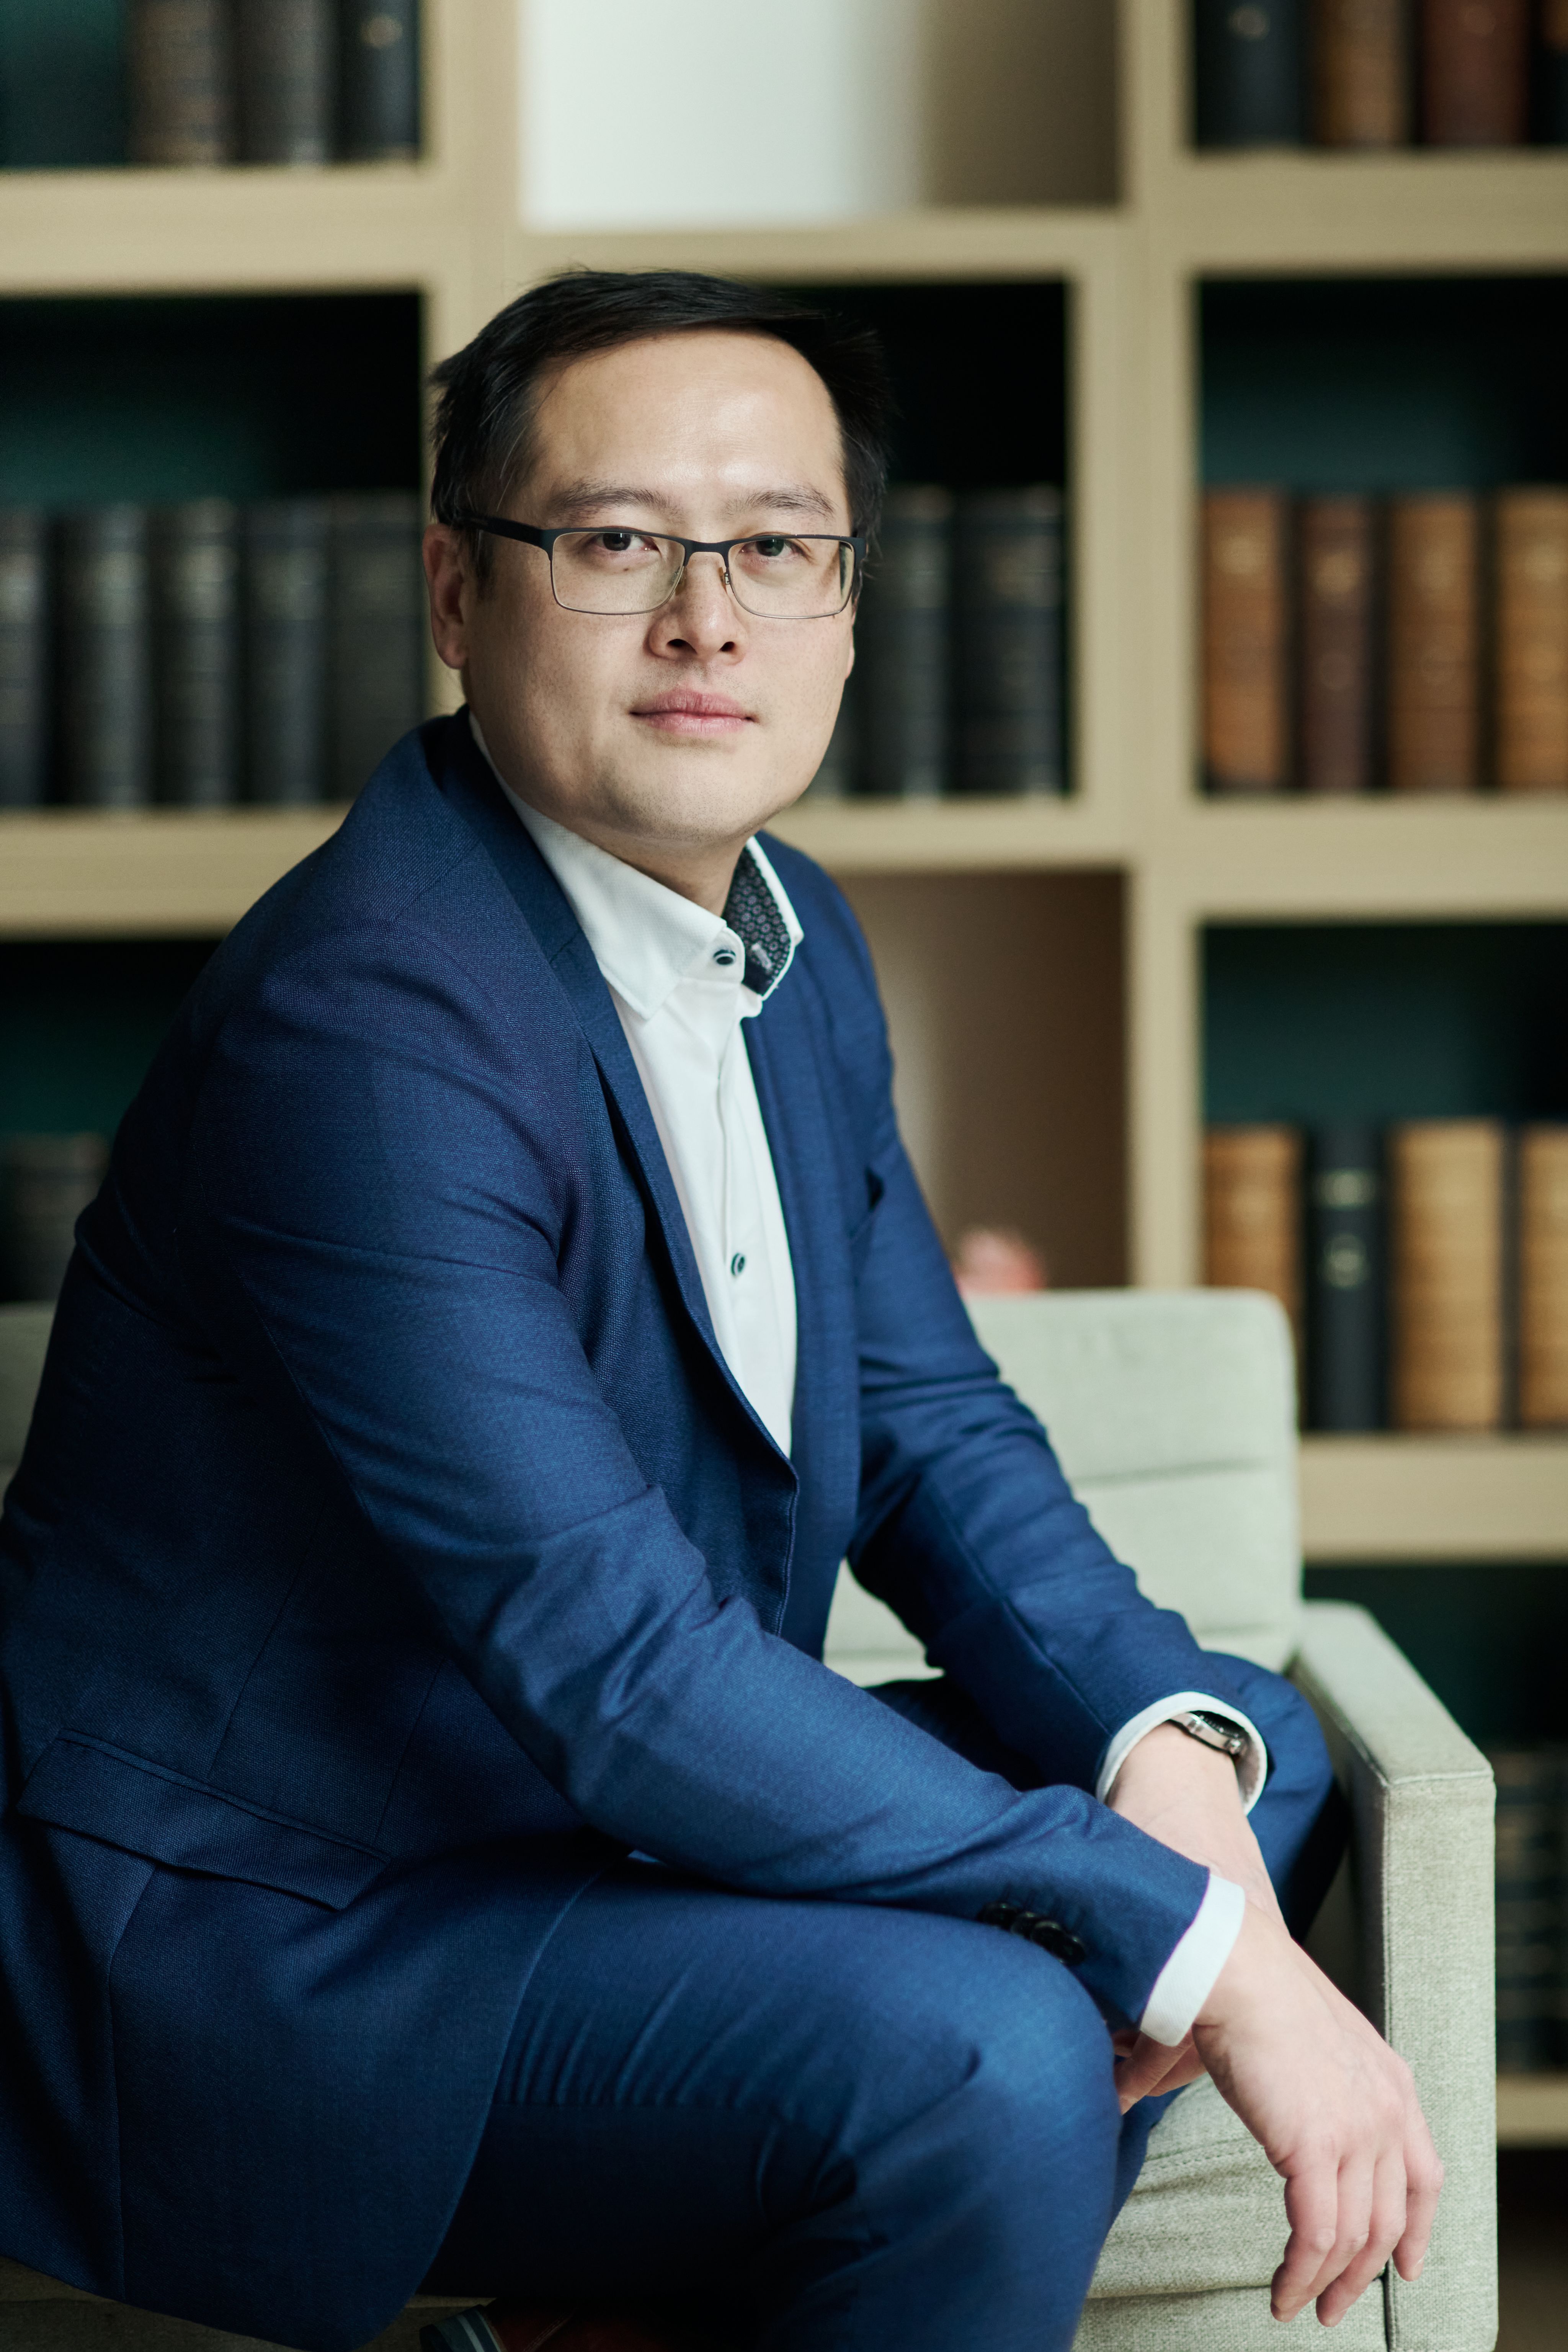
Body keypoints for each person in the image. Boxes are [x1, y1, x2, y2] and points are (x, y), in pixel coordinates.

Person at [0, 271, 1439, 2352]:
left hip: (567, 1824)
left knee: (1240, 1749)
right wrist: (1210, 1965)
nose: (711, 617)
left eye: (777, 544)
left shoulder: (784, 934)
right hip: (304, 1928)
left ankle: (638, 2316)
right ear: (456, 590)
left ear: (848, 602)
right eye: (616, 544)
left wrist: (1170, 1802)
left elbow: (936, 1432)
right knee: (998, 2043)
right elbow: (605, 1657)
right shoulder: (369, 1020)